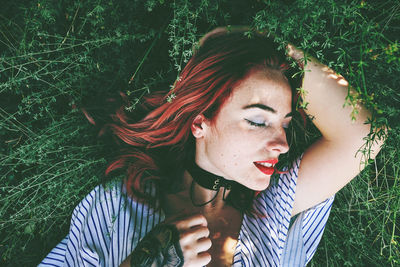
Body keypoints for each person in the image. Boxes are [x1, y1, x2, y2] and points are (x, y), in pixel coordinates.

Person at [39, 27, 385, 267]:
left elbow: (363, 135)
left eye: (285, 124)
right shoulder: (120, 207)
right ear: (200, 123)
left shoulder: (270, 211)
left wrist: (262, 38)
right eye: (257, 120)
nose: (281, 143)